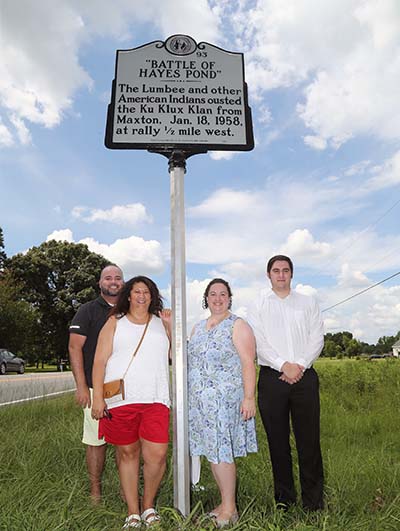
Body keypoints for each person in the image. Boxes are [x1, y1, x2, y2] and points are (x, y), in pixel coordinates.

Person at [91, 276, 171, 530]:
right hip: (121, 400)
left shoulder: (161, 323)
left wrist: (169, 327)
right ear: (128, 295)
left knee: (157, 455)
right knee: (127, 453)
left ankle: (148, 506)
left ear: (152, 296)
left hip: (156, 397)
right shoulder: (115, 323)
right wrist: (97, 398)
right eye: (136, 291)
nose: (141, 296)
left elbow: (175, 357)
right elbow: (99, 361)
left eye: (146, 292)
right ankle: (133, 512)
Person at [248, 255, 324, 511]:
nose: (281, 275)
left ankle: (314, 504)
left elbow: (317, 338)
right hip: (272, 378)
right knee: (278, 443)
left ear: (292, 274)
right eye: (276, 271)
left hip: (305, 377)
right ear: (268, 274)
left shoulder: (308, 302)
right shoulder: (258, 303)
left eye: (286, 270)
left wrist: (299, 364)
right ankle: (285, 502)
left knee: (309, 442)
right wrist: (283, 365)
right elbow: (258, 340)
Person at [188, 278, 257, 528]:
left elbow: (248, 363)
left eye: (223, 294)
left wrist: (249, 398)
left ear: (230, 297)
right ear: (206, 298)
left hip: (224, 402)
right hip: (200, 405)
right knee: (213, 454)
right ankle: (223, 504)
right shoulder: (197, 327)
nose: (217, 298)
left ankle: (230, 510)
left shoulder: (237, 325)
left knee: (221, 452)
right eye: (213, 294)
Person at [68, 264, 124, 502]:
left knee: (126, 443)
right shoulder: (87, 310)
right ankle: (95, 492)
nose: (113, 281)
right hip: (94, 388)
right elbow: (74, 347)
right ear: (100, 283)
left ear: (123, 282)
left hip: (124, 390)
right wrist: (82, 386)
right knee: (95, 442)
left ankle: (126, 491)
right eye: (108, 278)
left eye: (118, 278)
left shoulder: (132, 310)